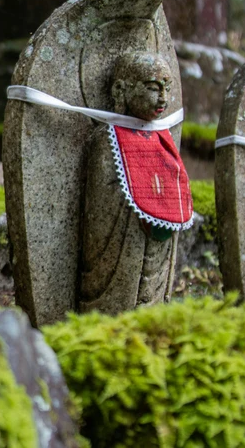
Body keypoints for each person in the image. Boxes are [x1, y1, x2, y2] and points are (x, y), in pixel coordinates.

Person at [79, 51, 186, 314]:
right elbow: (100, 206)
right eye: (153, 88)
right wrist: (137, 198)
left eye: (167, 88)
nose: (163, 98)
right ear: (121, 90)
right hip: (123, 240)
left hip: (155, 237)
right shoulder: (107, 138)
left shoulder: (162, 137)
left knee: (154, 296)